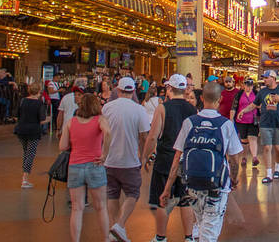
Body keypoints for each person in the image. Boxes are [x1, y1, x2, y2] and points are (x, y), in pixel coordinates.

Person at [160, 82, 243, 242]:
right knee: (209, 230)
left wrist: (167, 188)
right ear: (220, 100)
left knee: (201, 221)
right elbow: (234, 158)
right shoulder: (226, 125)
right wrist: (234, 178)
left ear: (201, 98)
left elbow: (177, 157)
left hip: (192, 184)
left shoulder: (189, 122)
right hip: (217, 185)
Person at [142, 74, 197, 242]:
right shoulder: (192, 109)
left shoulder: (162, 108)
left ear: (170, 89)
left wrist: (145, 156)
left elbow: (152, 136)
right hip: (186, 160)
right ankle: (188, 237)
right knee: (185, 200)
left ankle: (160, 237)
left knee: (163, 199)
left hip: (165, 159)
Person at [102, 76, 150, 242]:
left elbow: (101, 133)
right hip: (130, 160)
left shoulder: (106, 108)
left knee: (112, 194)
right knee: (133, 193)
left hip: (109, 160)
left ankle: (114, 230)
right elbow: (144, 136)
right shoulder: (139, 110)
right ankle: (119, 225)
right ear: (133, 91)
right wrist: (143, 156)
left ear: (118, 90)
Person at [59, 92, 111, 242]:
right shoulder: (99, 120)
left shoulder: (71, 122)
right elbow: (108, 133)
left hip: (75, 166)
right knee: (101, 206)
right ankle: (105, 238)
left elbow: (62, 146)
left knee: (77, 208)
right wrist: (104, 154)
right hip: (95, 165)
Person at [237, 70, 279, 184]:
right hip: (265, 123)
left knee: (278, 148)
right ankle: (268, 173)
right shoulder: (262, 92)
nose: (265, 80)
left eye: (266, 78)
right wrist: (244, 110)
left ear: (273, 78)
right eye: (264, 78)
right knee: (267, 148)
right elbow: (254, 104)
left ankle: (277, 167)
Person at [14, 81, 48, 189]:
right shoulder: (39, 103)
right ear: (39, 91)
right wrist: (49, 119)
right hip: (33, 131)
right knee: (31, 154)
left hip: (21, 130)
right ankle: (25, 178)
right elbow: (42, 120)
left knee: (26, 152)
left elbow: (16, 116)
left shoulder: (22, 101)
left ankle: (25, 177)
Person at [231, 78, 260, 167]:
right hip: (241, 120)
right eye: (247, 85)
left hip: (253, 120)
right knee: (244, 140)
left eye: (250, 85)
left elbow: (260, 105)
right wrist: (231, 120)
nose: (249, 87)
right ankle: (244, 157)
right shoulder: (239, 94)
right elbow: (234, 107)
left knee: (253, 137)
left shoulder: (256, 94)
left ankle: (254, 157)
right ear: (244, 85)